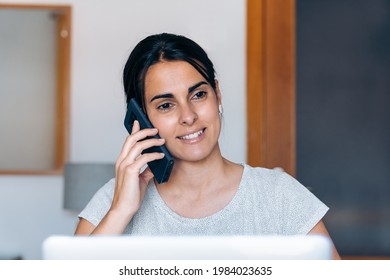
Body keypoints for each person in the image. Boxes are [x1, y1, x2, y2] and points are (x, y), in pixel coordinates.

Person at [75, 33, 340, 259]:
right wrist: (121, 212)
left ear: (217, 94)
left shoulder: (279, 197)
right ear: (141, 118)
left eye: (198, 94)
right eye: (166, 105)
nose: (188, 116)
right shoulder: (113, 202)